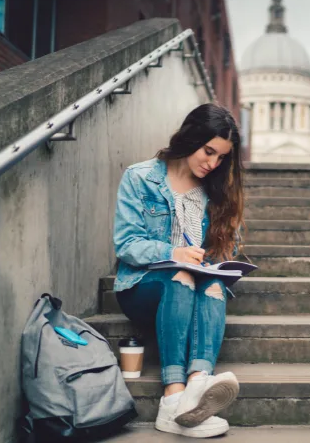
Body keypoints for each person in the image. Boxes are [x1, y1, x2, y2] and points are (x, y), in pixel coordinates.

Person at [112, 103, 245, 438]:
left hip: (198, 292)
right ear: (191, 138)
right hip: (143, 287)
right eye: (208, 152)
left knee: (213, 282)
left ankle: (197, 385)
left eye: (221, 158)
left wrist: (218, 265)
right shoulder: (141, 177)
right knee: (182, 274)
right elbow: (126, 243)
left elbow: (229, 247)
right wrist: (174, 253)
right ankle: (173, 394)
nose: (212, 164)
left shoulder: (218, 191)